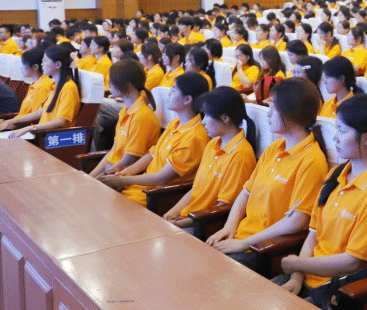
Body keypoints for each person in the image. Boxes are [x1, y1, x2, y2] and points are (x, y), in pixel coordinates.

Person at [274, 94, 367, 310]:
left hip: (338, 292)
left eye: (342, 131)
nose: (335, 138)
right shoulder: (336, 175)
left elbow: (353, 262)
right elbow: (313, 235)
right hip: (307, 278)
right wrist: (296, 277)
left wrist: (297, 265)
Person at [206, 78, 330, 274]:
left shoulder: (312, 160)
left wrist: (244, 243)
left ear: (292, 113)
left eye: (273, 108)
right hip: (242, 238)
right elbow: (246, 193)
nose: (268, 113)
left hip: (264, 248)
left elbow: (297, 221)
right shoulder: (275, 148)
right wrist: (228, 228)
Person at [100, 72, 211, 207]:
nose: (169, 94)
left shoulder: (195, 137)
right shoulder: (175, 123)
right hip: (141, 186)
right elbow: (153, 154)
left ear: (187, 99)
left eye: (174, 90)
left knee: (104, 204)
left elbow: (161, 178)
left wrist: (123, 181)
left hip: (156, 195)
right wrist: (126, 172)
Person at [162, 86, 257, 230]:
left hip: (204, 225)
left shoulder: (241, 155)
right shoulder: (212, 144)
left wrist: (179, 224)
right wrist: (171, 214)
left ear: (225, 118)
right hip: (186, 218)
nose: (203, 121)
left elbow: (222, 207)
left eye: (207, 115)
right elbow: (195, 189)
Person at [87, 60, 161, 179]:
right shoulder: (125, 111)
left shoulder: (141, 117)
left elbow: (128, 161)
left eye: (112, 81)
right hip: (111, 170)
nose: (109, 84)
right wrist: (90, 177)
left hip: (121, 176)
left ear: (128, 86)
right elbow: (113, 152)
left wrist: (99, 179)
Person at [3, 45, 81, 138]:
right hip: (40, 134)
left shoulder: (68, 87)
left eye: (45, 61)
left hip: (50, 137)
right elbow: (39, 112)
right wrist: (9, 121)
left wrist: (29, 128)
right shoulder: (55, 85)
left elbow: (60, 121)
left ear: (58, 65)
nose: (42, 64)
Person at [0, 48, 52, 130]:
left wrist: (9, 123)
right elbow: (24, 114)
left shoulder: (44, 86)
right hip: (18, 124)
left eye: (24, 64)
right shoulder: (35, 84)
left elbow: (35, 118)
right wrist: (7, 122)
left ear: (35, 67)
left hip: (27, 129)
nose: (21, 68)